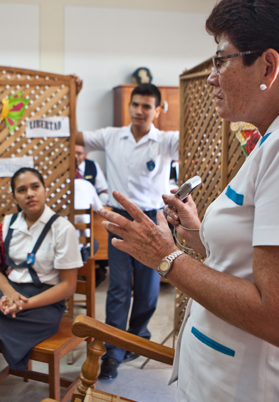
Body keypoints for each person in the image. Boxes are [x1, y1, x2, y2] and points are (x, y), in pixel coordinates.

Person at [97, 0, 279, 400]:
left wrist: (165, 256)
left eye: (221, 59)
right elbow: (254, 262)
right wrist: (196, 234)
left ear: (267, 66)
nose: (211, 77)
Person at [76, 83, 179, 380]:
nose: (139, 110)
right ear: (129, 106)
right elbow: (76, 135)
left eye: (147, 106)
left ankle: (137, 335)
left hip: (151, 220)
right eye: (135, 104)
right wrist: (74, 93)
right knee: (119, 287)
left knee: (148, 289)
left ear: (157, 110)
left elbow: (195, 137)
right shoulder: (111, 136)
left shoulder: (166, 141)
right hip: (120, 219)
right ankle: (114, 351)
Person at [0, 168, 83, 402]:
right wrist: (10, 293)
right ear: (14, 196)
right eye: (22, 190)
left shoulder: (62, 228)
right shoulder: (6, 225)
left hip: (45, 303)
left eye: (35, 187)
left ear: (45, 189)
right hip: (8, 294)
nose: (30, 194)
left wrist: (24, 304)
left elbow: (68, 287)